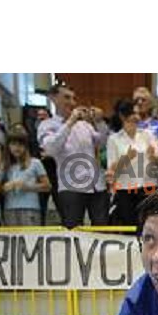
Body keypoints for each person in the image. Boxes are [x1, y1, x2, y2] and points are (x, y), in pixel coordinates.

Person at [37, 81, 109, 228]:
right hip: (70, 186)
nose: (72, 102)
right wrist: (70, 122)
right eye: (66, 98)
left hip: (97, 185)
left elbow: (101, 143)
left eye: (73, 98)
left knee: (102, 228)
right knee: (73, 230)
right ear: (54, 98)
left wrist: (100, 122)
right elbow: (50, 149)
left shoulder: (84, 125)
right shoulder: (47, 125)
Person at [106, 100, 158, 226]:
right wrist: (127, 159)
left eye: (138, 113)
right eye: (133, 113)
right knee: (130, 226)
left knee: (149, 225)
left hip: (148, 187)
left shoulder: (148, 135)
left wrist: (154, 157)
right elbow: (112, 172)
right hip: (126, 191)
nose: (137, 117)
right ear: (122, 116)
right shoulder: (113, 139)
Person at [0, 132, 50, 226]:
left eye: (20, 144)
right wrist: (4, 188)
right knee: (12, 239)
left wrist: (27, 187)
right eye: (13, 144)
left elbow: (47, 186)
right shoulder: (5, 165)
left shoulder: (35, 163)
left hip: (30, 208)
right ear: (8, 146)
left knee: (31, 238)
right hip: (9, 209)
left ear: (26, 146)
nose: (17, 148)